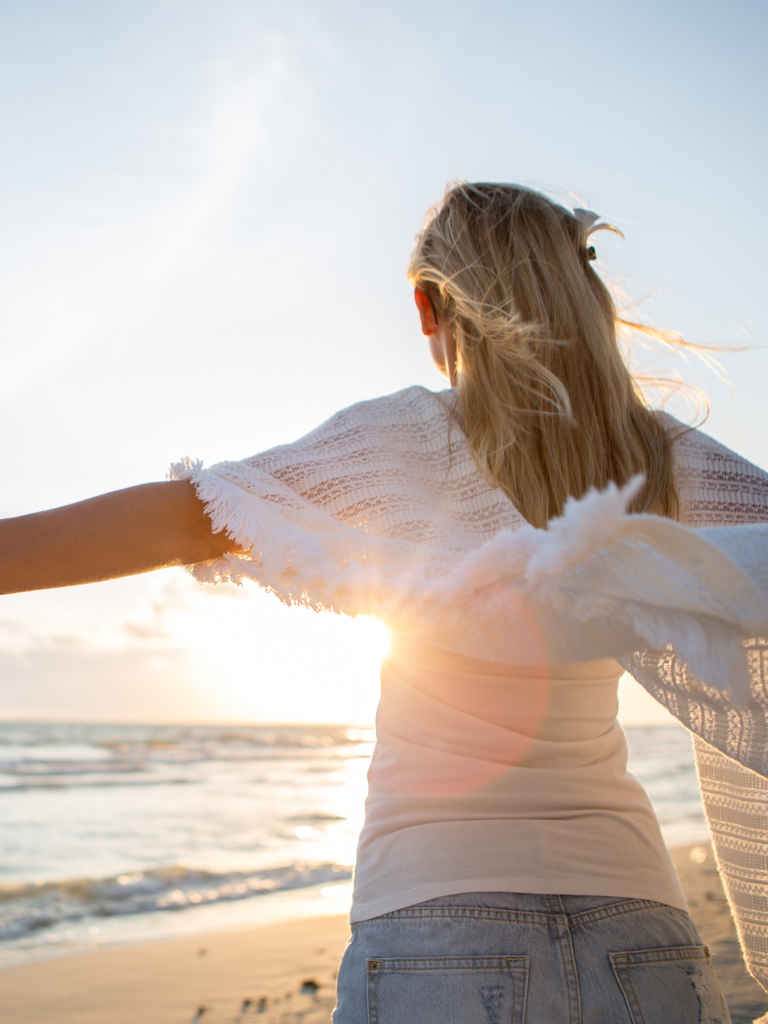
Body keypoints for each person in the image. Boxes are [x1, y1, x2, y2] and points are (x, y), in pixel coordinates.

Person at [2, 182, 767, 1022]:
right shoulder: (661, 454)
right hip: (646, 939)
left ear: (428, 307)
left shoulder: (409, 435)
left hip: (438, 926)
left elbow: (187, 518)